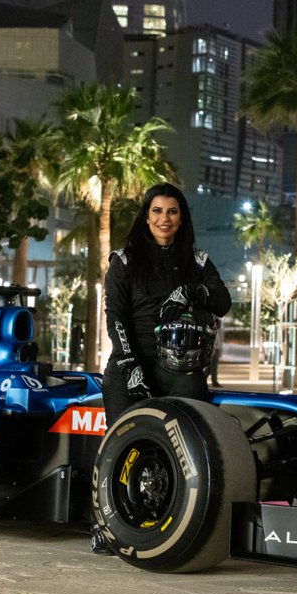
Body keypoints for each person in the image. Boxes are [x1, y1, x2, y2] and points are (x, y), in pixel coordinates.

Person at [92, 183, 231, 554]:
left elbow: (223, 301)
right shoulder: (122, 260)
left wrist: (193, 291)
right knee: (119, 444)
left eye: (171, 211)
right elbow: (114, 317)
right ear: (146, 215)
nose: (164, 219)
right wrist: (129, 364)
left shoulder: (197, 260)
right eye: (156, 211)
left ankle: (184, 523)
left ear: (181, 217)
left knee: (189, 445)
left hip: (180, 366)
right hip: (128, 363)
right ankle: (107, 527)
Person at [204, 316, 223, 387]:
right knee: (214, 368)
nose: (220, 325)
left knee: (209, 368)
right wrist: (214, 352)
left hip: (215, 351)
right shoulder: (213, 332)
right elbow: (214, 343)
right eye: (219, 324)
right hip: (214, 351)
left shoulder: (216, 331)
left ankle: (202, 380)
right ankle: (214, 382)